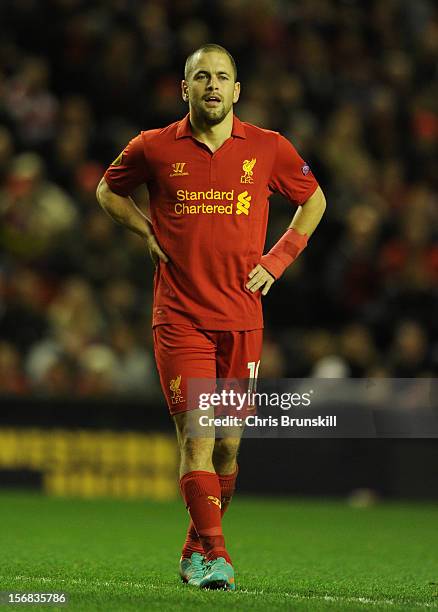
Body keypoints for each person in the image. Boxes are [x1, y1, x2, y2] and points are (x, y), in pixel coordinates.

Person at [96, 43, 326, 591]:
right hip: (179, 316)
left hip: (242, 317)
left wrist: (279, 259)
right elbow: (107, 190)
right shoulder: (152, 147)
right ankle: (218, 557)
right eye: (202, 77)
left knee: (227, 445)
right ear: (186, 89)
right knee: (197, 437)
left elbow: (314, 200)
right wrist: (145, 232)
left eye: (223, 77)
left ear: (237, 90)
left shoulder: (267, 148)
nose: (213, 86)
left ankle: (192, 548)